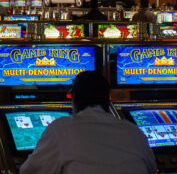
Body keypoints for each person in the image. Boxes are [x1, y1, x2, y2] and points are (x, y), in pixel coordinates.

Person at [20, 71, 156, 174]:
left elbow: (29, 171)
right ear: (108, 100)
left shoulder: (61, 129)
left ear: (74, 97)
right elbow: (152, 169)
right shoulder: (133, 131)